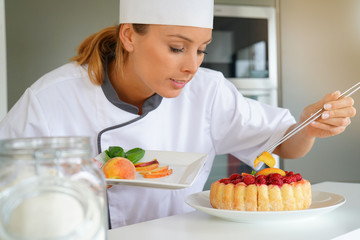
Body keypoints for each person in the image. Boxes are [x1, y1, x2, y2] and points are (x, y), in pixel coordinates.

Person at [0, 0, 356, 228]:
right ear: (129, 36)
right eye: (176, 48)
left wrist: (310, 126)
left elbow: (282, 146)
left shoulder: (208, 89)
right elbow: (7, 191)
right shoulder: (50, 98)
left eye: (201, 50)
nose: (191, 66)